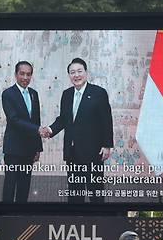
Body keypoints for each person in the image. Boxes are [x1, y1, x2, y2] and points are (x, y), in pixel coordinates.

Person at [41, 57, 113, 203]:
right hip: (72, 152)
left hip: (93, 152)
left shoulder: (99, 93)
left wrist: (107, 145)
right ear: (69, 75)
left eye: (79, 71)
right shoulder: (66, 94)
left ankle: (99, 222)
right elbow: (63, 119)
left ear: (86, 73)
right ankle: (75, 220)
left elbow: (106, 120)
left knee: (95, 190)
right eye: (72, 72)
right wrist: (49, 129)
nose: (76, 75)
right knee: (74, 192)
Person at [1, 60, 43, 203]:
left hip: (29, 150)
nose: (25, 77)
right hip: (13, 149)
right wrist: (37, 129)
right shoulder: (8, 94)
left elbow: (36, 120)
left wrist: (38, 148)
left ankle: (21, 218)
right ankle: (6, 218)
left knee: (24, 187)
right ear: (16, 74)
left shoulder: (34, 94)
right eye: (22, 74)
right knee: (10, 186)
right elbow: (14, 120)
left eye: (28, 74)